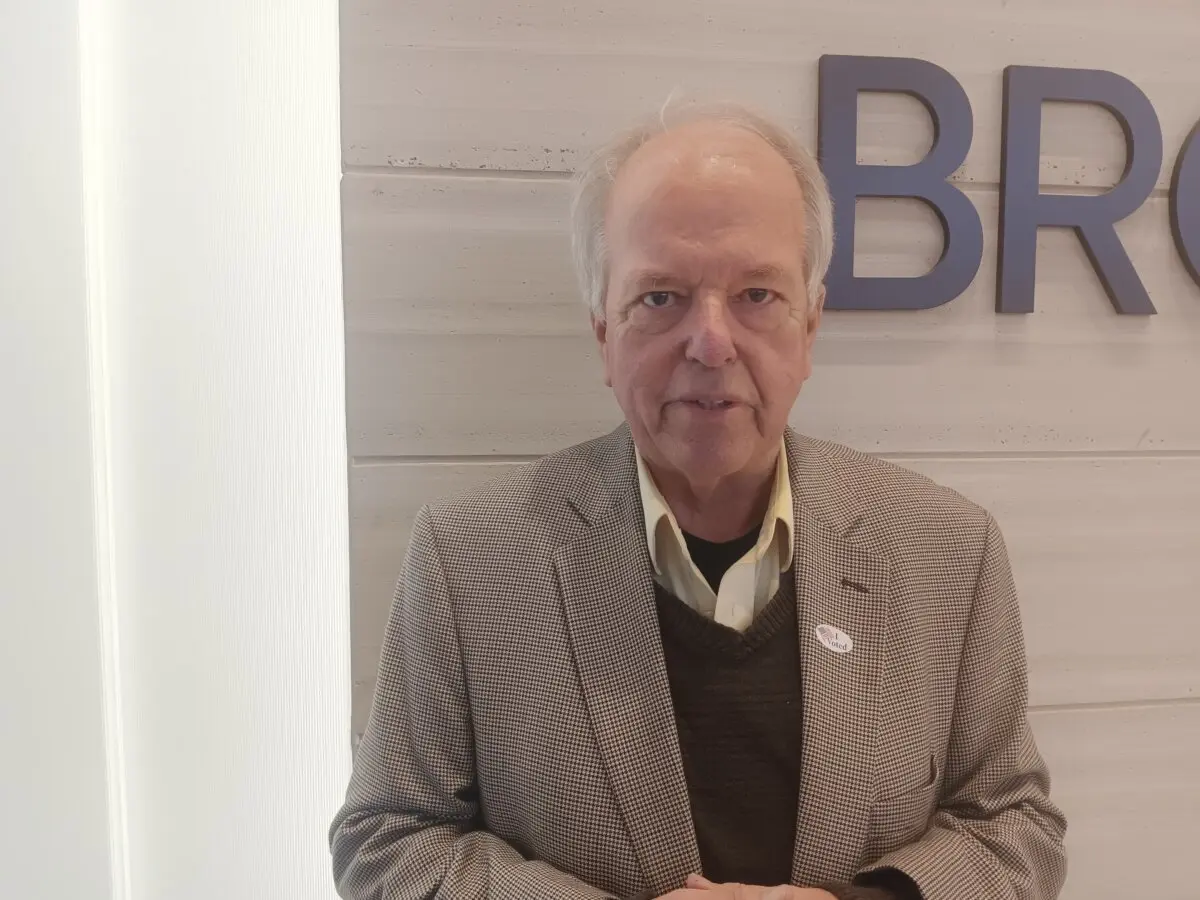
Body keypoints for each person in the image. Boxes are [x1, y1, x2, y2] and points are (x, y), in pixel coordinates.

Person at [329, 101, 1068, 900]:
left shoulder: (947, 549)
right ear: (602, 333)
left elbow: (1012, 829)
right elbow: (387, 840)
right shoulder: (469, 560)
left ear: (810, 324)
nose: (711, 342)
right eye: (660, 297)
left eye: (756, 294)